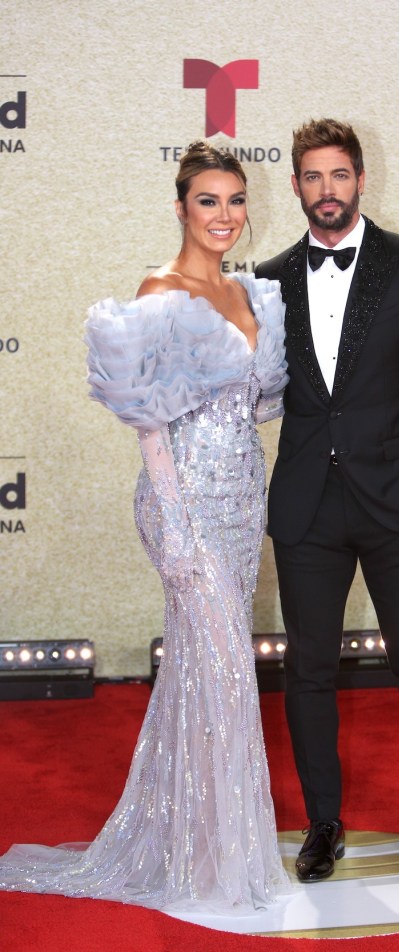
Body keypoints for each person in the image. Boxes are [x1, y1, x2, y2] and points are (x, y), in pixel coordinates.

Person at [0, 141, 291, 912]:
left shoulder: (252, 296)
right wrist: (175, 525)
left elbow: (258, 405)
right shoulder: (160, 293)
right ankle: (217, 863)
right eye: (208, 201)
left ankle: (196, 846)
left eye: (234, 200)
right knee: (226, 674)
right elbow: (151, 428)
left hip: (241, 500)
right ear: (180, 207)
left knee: (207, 674)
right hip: (183, 501)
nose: (224, 215)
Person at [256, 119, 399, 888]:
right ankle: (323, 823)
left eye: (340, 176)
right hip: (306, 509)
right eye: (312, 177)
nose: (327, 190)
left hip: (395, 503)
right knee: (308, 671)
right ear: (294, 186)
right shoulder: (268, 277)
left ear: (361, 180)